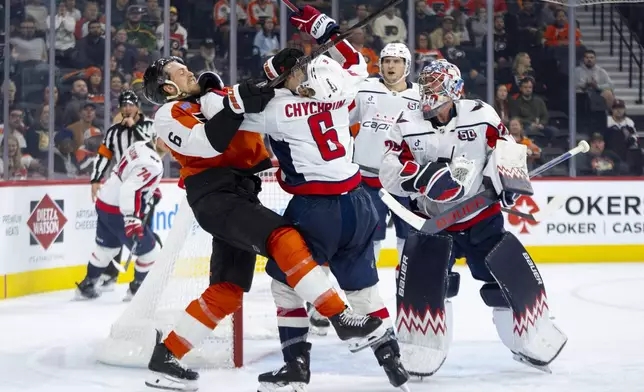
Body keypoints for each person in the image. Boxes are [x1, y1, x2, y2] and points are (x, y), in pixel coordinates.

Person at [142, 56, 387, 391]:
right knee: (283, 237)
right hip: (216, 197)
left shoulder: (218, 97)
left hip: (242, 196)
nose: (188, 70)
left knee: (228, 292)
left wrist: (280, 82)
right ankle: (339, 316)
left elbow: (264, 105)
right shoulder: (168, 116)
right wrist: (236, 103)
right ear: (168, 88)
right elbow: (209, 142)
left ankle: (166, 358)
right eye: (179, 72)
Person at [235, 8, 410, 391]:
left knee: (284, 285)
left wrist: (253, 84)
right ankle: (391, 357)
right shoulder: (344, 91)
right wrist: (325, 27)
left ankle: (296, 366)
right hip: (359, 202)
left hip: (315, 209)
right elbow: (356, 63)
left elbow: (231, 114)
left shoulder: (275, 111)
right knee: (364, 290)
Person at [379, 59, 567, 376]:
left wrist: (508, 182)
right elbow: (389, 167)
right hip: (434, 224)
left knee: (504, 283)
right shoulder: (407, 121)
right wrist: (421, 178)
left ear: (453, 88)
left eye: (435, 85)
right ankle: (421, 345)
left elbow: (506, 148)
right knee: (429, 288)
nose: (428, 92)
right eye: (425, 85)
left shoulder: (480, 114)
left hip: (482, 218)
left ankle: (531, 337)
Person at [75, 121, 167, 301]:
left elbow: (128, 174)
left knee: (105, 249)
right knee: (150, 252)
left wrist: (150, 189)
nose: (170, 142)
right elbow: (129, 189)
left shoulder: (139, 146)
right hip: (119, 210)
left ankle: (87, 285)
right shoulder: (153, 164)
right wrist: (132, 219)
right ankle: (136, 291)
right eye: (165, 137)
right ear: (155, 137)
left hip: (105, 202)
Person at [351, 42, 418, 266]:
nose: (391, 66)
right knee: (369, 237)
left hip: (405, 180)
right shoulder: (364, 89)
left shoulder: (420, 96)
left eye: (396, 61)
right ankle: (368, 289)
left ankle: (406, 286)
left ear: (406, 66)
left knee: (409, 237)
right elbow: (340, 122)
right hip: (368, 180)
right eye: (386, 60)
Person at [90, 90, 156, 291]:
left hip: (143, 187)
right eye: (124, 105)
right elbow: (103, 155)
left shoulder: (150, 126)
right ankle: (110, 274)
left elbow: (152, 147)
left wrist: (134, 127)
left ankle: (141, 278)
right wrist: (95, 179)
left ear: (137, 106)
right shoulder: (113, 131)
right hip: (119, 187)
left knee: (143, 232)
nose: (127, 108)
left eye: (131, 104)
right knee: (115, 233)